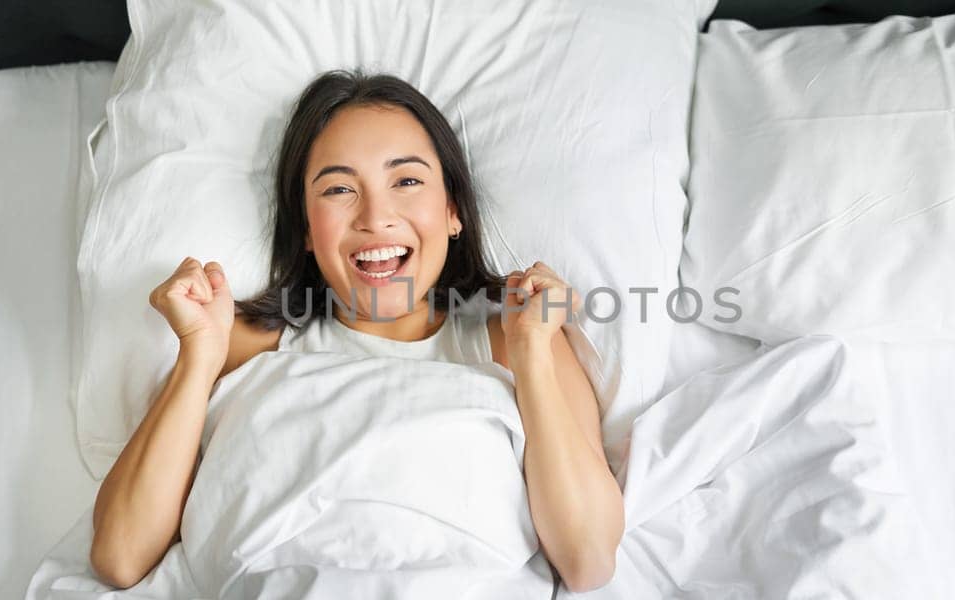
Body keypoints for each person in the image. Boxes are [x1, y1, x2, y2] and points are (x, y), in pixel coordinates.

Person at [87, 70, 623, 593]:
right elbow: (120, 553)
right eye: (340, 188)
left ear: (453, 210)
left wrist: (531, 355)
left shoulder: (518, 340)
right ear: (304, 229)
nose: (375, 216)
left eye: (407, 181)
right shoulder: (241, 346)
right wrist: (197, 358)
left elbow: (587, 559)